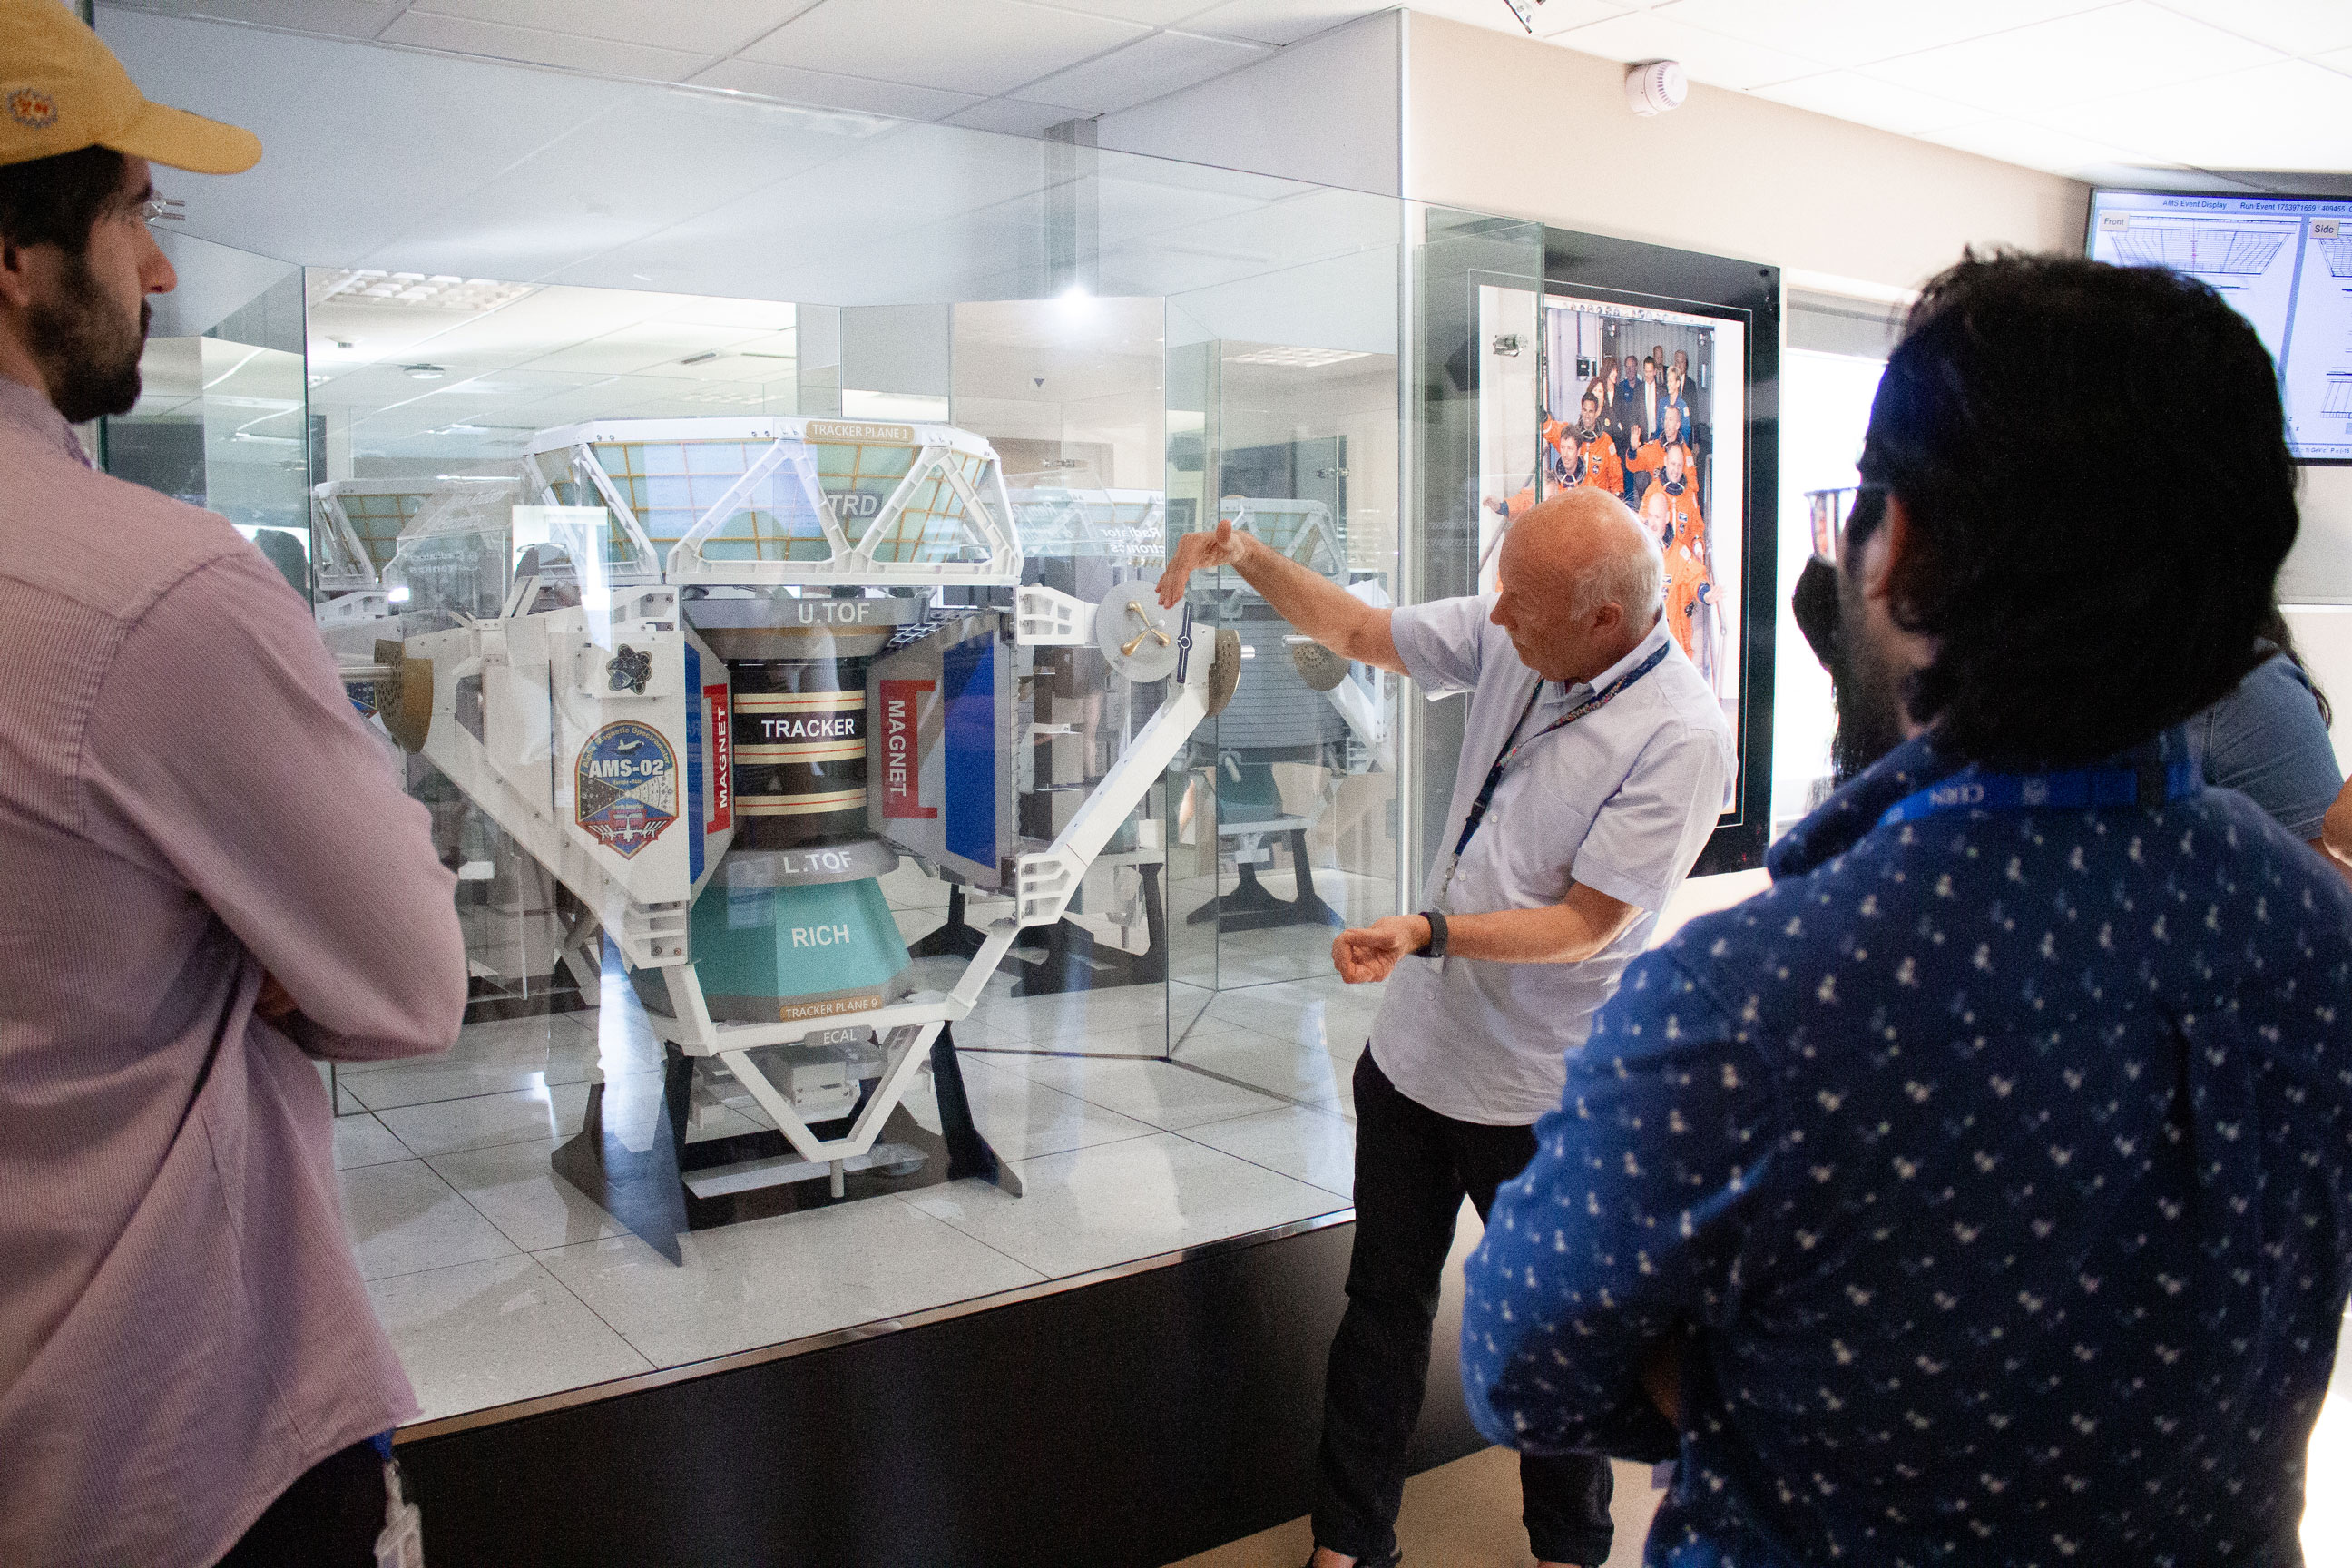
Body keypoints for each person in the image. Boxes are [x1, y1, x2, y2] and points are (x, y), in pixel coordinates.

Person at [1460, 250, 2352, 1564]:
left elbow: (1520, 1362)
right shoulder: (2316, 937)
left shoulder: (1755, 1003)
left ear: (1901, 552)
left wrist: (1752, 1379)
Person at [0, 5, 468, 1564]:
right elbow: (408, 975)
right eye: (134, 210)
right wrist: (251, 935)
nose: (160, 267)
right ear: (15, 255)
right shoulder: (158, 597)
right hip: (168, 1460)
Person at [1158, 489, 1733, 1568]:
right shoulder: (1524, 629)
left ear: (1605, 621)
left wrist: (1431, 930)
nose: (1498, 619)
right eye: (1500, 591)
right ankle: (1349, 1543)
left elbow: (1585, 924)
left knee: (1554, 1336)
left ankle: (1569, 1550)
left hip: (1545, 1098)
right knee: (1380, 1311)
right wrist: (1245, 558)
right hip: (1415, 1064)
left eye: (1523, 605)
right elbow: (1359, 633)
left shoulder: (1683, 737)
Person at [1624, 402, 1697, 514]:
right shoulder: (1654, 447)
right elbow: (1633, 466)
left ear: (1678, 425)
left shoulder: (1685, 454)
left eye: (1671, 420)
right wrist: (1633, 450)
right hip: (1657, 507)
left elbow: (1692, 487)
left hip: (1676, 507)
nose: (1667, 423)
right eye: (1666, 419)